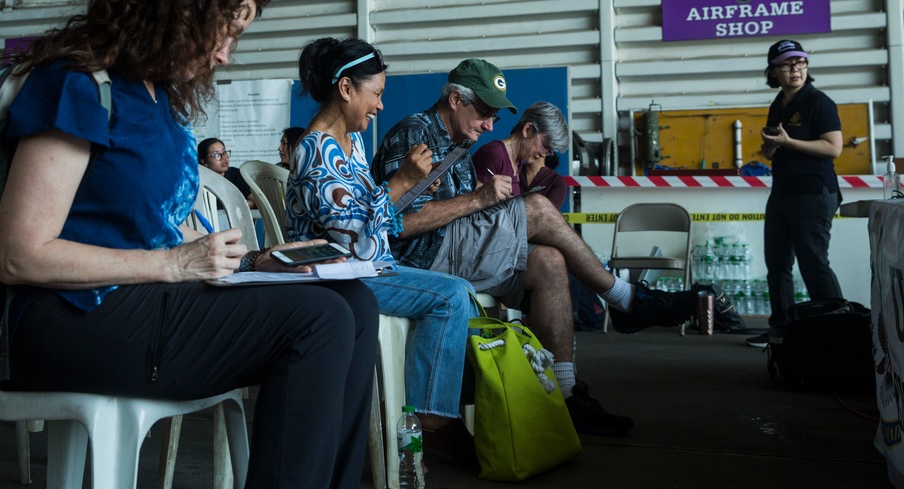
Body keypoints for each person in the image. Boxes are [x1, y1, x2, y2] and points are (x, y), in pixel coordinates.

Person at [0, 0, 379, 488]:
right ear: (174, 10)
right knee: (317, 321)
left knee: (354, 301)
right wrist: (174, 264)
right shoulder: (78, 84)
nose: (224, 54)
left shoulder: (156, 98)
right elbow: (20, 257)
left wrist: (252, 262)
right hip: (67, 317)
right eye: (220, 32)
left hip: (144, 296)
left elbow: (164, 235)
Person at [372, 58, 698, 436]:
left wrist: (479, 204)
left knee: (550, 261)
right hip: (422, 258)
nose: (490, 125)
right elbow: (397, 227)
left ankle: (565, 394)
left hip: (454, 250)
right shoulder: (415, 132)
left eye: (495, 116)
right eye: (484, 113)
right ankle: (625, 299)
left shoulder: (460, 145)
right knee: (540, 209)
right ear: (456, 99)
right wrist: (478, 201)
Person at [286, 37, 481, 464]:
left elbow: (379, 222)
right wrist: (403, 181)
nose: (379, 106)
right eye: (375, 94)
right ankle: (429, 423)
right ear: (345, 89)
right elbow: (353, 240)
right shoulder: (315, 149)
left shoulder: (351, 145)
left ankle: (430, 413)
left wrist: (398, 191)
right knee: (450, 297)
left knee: (458, 291)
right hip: (338, 279)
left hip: (367, 268)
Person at [746, 40, 844, 348]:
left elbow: (833, 148)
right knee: (776, 263)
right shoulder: (779, 104)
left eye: (801, 63)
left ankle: (837, 328)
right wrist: (771, 147)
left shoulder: (819, 102)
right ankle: (782, 328)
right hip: (783, 191)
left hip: (813, 192)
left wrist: (788, 143)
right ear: (773, 71)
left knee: (813, 261)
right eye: (787, 65)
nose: (795, 69)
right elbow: (778, 145)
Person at [471, 101, 570, 200]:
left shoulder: (517, 163)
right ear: (527, 130)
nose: (543, 155)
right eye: (544, 146)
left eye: (549, 151)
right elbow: (472, 204)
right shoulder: (493, 155)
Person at [197, 137, 256, 208]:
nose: (224, 157)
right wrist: (239, 204)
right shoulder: (199, 181)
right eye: (216, 155)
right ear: (204, 161)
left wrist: (230, 205)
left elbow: (256, 202)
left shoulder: (236, 174)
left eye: (224, 152)